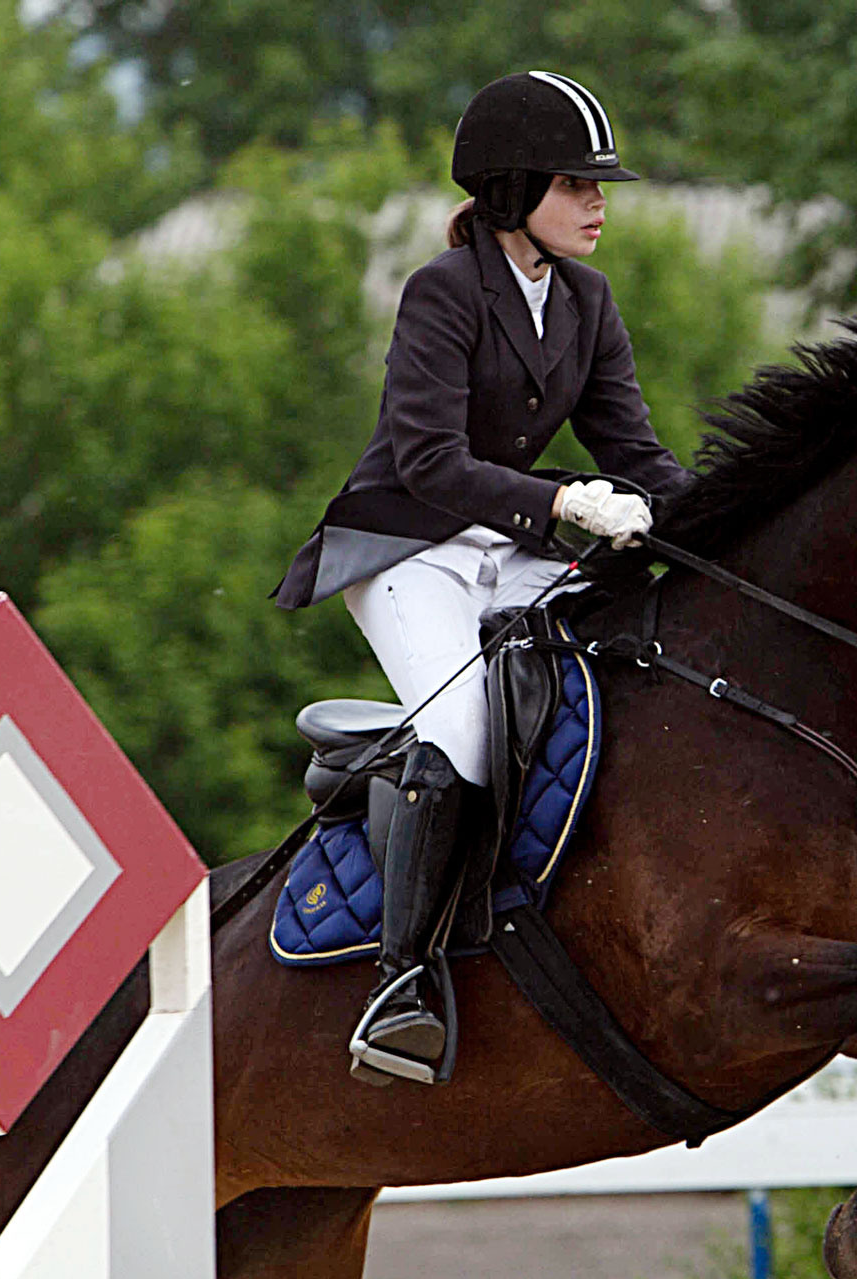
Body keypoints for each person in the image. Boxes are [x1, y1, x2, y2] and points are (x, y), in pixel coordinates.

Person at [272, 70, 694, 1084]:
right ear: (513, 192)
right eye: (575, 184)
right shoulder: (444, 291)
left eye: (598, 186)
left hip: (507, 551)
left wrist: (725, 522)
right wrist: (561, 502)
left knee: (606, 678)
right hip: (407, 550)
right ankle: (402, 982)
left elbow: (635, 452)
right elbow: (426, 460)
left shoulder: (586, 300)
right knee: (461, 731)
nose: (597, 203)